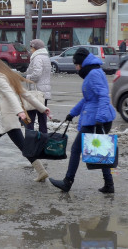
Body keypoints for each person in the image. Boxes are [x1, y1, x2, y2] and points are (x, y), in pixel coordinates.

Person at [49, 48, 117, 193]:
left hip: (97, 119)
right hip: (95, 117)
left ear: (81, 63)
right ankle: (109, 184)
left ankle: (67, 182)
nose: (75, 67)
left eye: (76, 64)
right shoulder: (92, 72)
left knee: (76, 149)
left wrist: (99, 118)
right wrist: (72, 113)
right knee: (101, 151)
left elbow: (103, 96)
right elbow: (88, 99)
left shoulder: (93, 74)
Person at [0, 57, 51, 182]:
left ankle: (41, 171)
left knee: (22, 146)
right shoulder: (8, 75)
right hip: (11, 115)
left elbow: (10, 94)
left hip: (9, 116)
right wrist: (42, 108)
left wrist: (20, 111)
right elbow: (25, 93)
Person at [24, 39, 51, 133]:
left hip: (36, 92)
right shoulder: (45, 57)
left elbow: (37, 74)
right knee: (42, 117)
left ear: (35, 48)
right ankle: (43, 138)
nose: (30, 49)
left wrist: (27, 77)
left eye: (31, 47)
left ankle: (29, 138)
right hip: (44, 92)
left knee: (30, 116)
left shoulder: (37, 57)